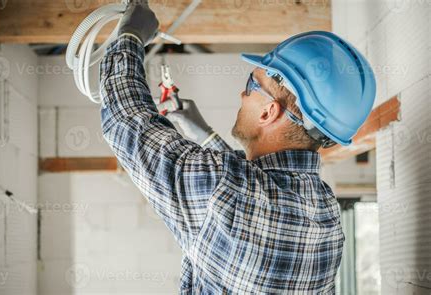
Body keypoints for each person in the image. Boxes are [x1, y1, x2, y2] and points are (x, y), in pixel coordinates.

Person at [100, 2, 376, 293]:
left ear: (269, 112)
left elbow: (126, 119)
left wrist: (130, 35)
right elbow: (245, 193)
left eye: (251, 84)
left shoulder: (227, 188)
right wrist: (204, 135)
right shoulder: (324, 210)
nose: (242, 94)